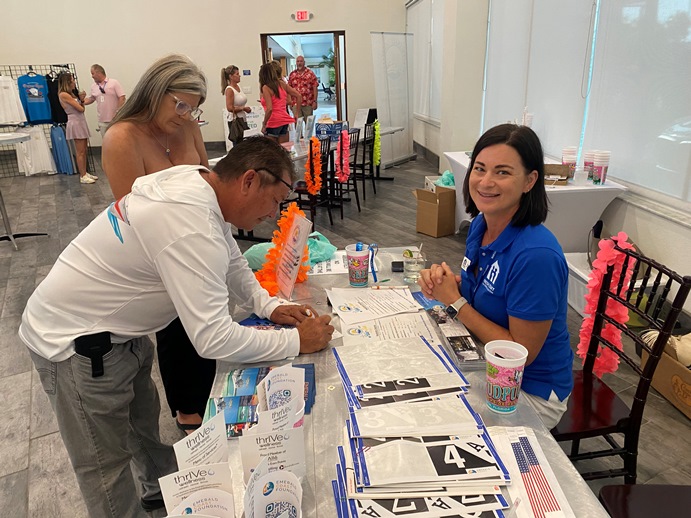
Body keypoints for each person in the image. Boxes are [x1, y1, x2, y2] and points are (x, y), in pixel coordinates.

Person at [19, 136, 335, 517]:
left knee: (142, 427)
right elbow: (213, 338)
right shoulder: (190, 222)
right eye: (275, 201)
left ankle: (161, 493)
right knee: (105, 468)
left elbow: (232, 261)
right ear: (249, 180)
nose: (273, 214)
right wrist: (295, 341)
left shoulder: (201, 185)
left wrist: (269, 306)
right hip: (73, 342)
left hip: (119, 333)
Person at [418, 123, 573, 429]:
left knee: (431, 419)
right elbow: (485, 289)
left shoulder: (536, 256)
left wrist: (456, 302)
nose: (486, 182)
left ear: (529, 181)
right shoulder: (481, 225)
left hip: (527, 389)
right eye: (480, 169)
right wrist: (444, 283)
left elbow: (520, 354)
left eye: (502, 172)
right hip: (480, 357)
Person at [102, 54, 212, 434]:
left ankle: (206, 396)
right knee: (176, 328)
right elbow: (131, 214)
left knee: (206, 323)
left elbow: (207, 179)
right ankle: (187, 408)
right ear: (156, 91)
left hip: (200, 242)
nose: (186, 115)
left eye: (193, 109)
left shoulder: (187, 125)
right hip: (159, 251)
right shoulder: (122, 138)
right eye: (180, 105)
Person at [57, 73, 97, 184]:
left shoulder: (71, 94)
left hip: (80, 121)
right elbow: (80, 109)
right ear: (67, 82)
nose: (74, 82)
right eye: (72, 79)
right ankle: (82, 175)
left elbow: (81, 108)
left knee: (84, 150)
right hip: (75, 122)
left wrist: (82, 100)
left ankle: (85, 172)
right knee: (80, 151)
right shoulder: (63, 94)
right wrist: (81, 100)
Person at [259, 62, 302, 144]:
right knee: (283, 148)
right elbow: (298, 96)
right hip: (284, 120)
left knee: (271, 149)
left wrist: (264, 124)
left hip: (273, 121)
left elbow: (269, 109)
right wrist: (296, 113)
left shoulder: (266, 87)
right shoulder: (282, 84)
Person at [83, 64, 126, 135]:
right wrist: (80, 101)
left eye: (93, 73)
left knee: (117, 138)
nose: (92, 76)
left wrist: (117, 112)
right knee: (106, 140)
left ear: (99, 73)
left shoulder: (114, 83)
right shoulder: (94, 86)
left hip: (115, 119)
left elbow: (122, 97)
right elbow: (91, 99)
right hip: (102, 121)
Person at [222, 65, 251, 145]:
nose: (239, 76)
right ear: (231, 76)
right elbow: (229, 107)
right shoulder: (229, 90)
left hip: (242, 118)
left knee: (244, 143)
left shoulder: (238, 87)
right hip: (235, 120)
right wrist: (243, 108)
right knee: (239, 143)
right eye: (237, 74)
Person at [288, 55, 319, 122]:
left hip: (308, 103)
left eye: (301, 61)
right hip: (295, 103)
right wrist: (290, 102)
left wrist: (315, 101)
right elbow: (289, 89)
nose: (299, 63)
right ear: (296, 63)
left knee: (309, 124)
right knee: (297, 123)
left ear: (304, 62)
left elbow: (315, 88)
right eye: (298, 61)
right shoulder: (292, 74)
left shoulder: (310, 73)